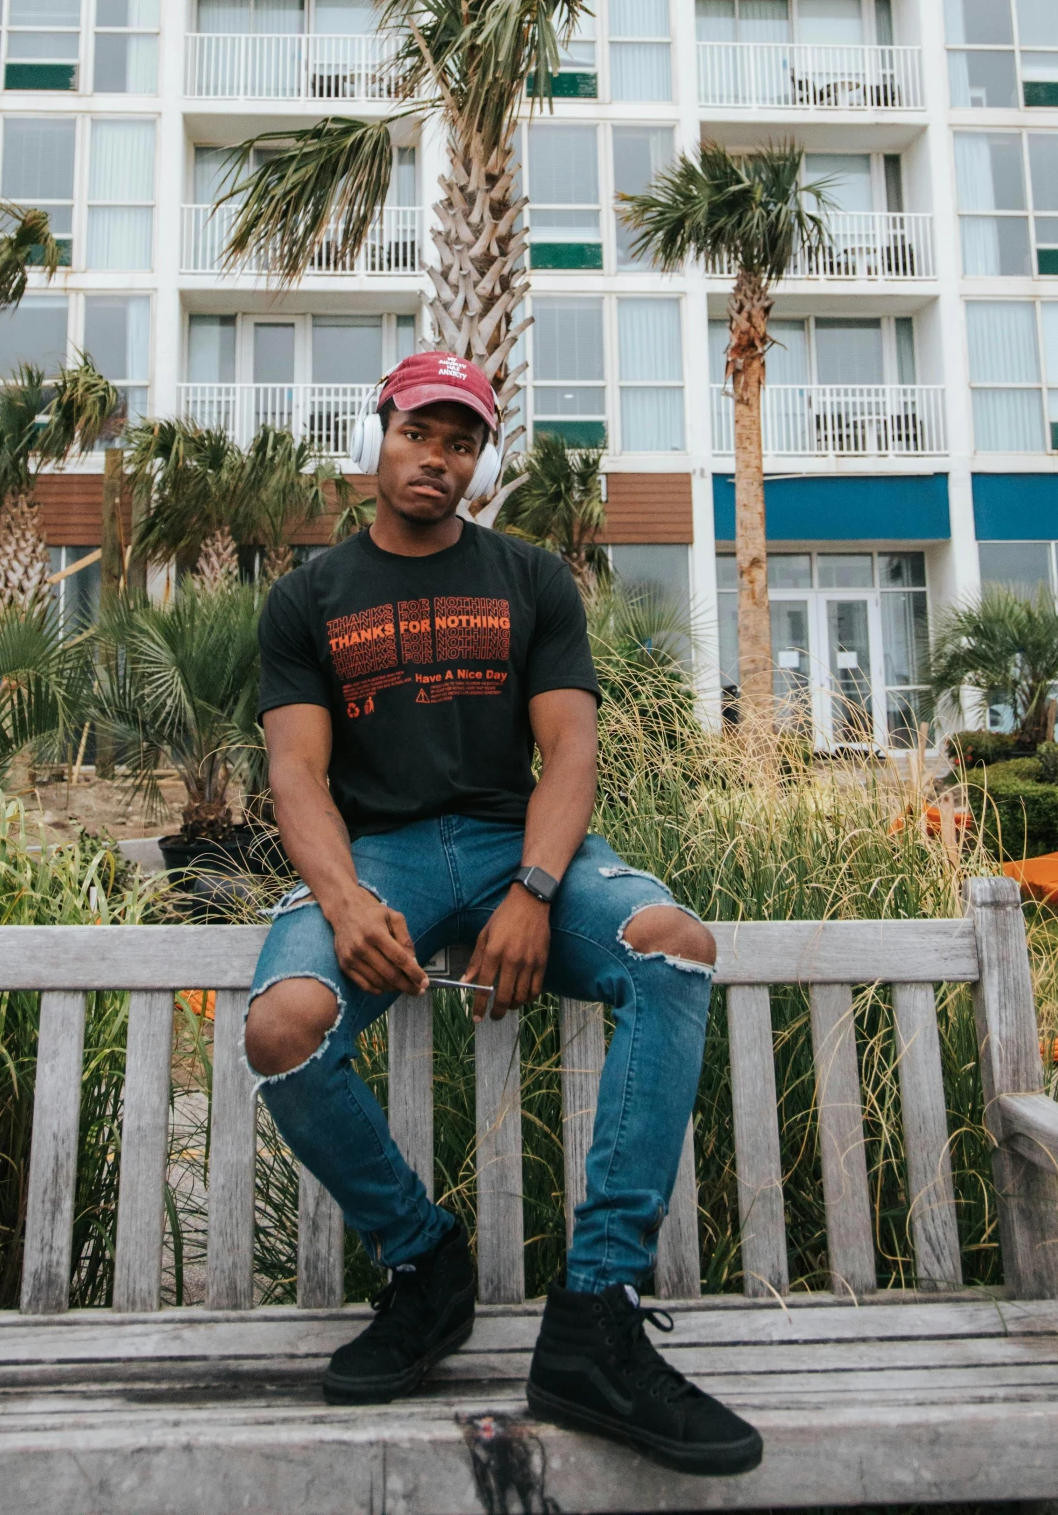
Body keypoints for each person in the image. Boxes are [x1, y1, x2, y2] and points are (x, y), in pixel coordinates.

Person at [245, 349, 763, 1478]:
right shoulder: (311, 595)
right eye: (418, 432)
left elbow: (570, 747)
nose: (437, 457)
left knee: (673, 947)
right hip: (376, 854)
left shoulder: (529, 577)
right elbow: (296, 774)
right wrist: (341, 899)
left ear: (481, 458)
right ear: (378, 427)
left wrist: (534, 889)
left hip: (511, 842)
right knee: (281, 1026)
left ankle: (594, 1314)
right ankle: (426, 1265)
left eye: (462, 439)